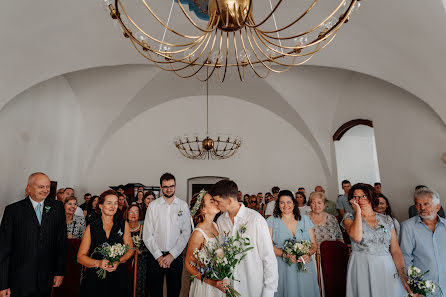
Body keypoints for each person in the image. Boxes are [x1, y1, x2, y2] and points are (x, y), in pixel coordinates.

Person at [0, 172, 66, 297]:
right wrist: (2, 284)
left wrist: (59, 272)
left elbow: (61, 242)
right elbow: (4, 249)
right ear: (28, 188)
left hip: (46, 277)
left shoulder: (57, 208)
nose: (45, 190)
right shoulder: (13, 210)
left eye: (47, 187)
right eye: (41, 187)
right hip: (19, 279)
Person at [342, 183, 411, 297]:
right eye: (355, 197)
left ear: (371, 197)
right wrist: (358, 212)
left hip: (385, 264)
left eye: (363, 196)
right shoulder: (349, 218)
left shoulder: (387, 220)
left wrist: (402, 274)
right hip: (361, 265)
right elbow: (357, 237)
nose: (359, 200)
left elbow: (395, 250)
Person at [211, 180, 278, 297]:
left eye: (218, 201)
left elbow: (268, 257)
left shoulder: (255, 220)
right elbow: (222, 252)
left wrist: (269, 291)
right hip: (231, 285)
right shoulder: (221, 221)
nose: (215, 204)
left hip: (253, 286)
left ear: (229, 200)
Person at [77, 190, 134, 297]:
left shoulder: (123, 224)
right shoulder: (91, 228)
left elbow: (130, 250)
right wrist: (98, 263)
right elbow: (80, 257)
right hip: (95, 278)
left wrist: (118, 261)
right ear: (100, 205)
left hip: (118, 276)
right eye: (109, 203)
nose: (113, 206)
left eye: (116, 203)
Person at [143, 173, 191, 297]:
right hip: (155, 257)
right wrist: (159, 256)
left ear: (175, 186)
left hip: (175, 257)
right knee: (154, 292)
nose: (169, 189)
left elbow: (186, 233)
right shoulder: (153, 206)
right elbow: (147, 234)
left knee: (174, 291)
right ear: (161, 187)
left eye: (172, 186)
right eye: (165, 186)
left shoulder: (183, 206)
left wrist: (172, 255)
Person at [266, 190, 319, 297]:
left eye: (288, 202)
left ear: (294, 203)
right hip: (283, 267)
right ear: (278, 205)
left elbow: (314, 245)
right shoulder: (271, 221)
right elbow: (268, 246)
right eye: (282, 202)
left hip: (304, 265)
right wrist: (285, 254)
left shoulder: (305, 220)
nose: (286, 205)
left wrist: (308, 254)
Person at [400, 187, 446, 297]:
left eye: (426, 204)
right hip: (423, 288)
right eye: (418, 204)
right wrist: (414, 286)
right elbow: (405, 257)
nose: (422, 208)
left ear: (438, 207)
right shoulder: (407, 227)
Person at [186, 190, 228, 297]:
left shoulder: (215, 225)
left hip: (220, 280)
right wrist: (212, 282)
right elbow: (189, 265)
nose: (216, 202)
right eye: (211, 201)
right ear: (203, 209)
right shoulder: (198, 233)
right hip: (206, 285)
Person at [125, 205, 150, 297]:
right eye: (131, 212)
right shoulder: (122, 228)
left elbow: (150, 246)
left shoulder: (144, 229)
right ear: (127, 214)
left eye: (136, 212)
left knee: (139, 285)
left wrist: (140, 251)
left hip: (140, 263)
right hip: (125, 262)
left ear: (139, 215)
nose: (133, 214)